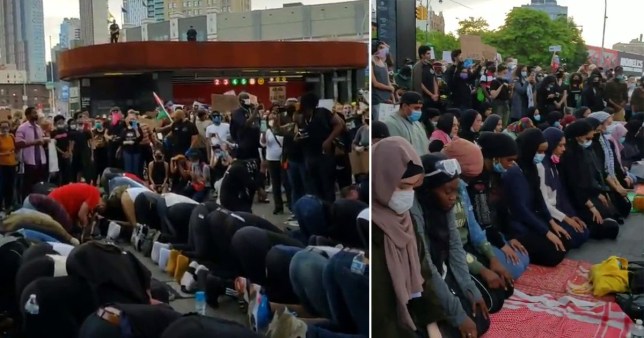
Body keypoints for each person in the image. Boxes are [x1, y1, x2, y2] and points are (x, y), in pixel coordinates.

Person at [371, 136, 445, 338]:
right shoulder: (370, 227)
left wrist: (432, 325)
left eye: (413, 187)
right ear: (382, 180)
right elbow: (379, 306)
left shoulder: (405, 218)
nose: (408, 195)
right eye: (403, 187)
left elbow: (423, 273)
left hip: (412, 311)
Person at [412, 152, 491, 338]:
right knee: (458, 326)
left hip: (442, 272)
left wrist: (469, 288)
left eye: (456, 191)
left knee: (481, 317)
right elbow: (426, 268)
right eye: (447, 191)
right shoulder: (414, 213)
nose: (453, 197)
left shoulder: (444, 207)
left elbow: (455, 246)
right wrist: (457, 314)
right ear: (428, 190)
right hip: (421, 283)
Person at [503, 129, 570, 267]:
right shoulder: (513, 172)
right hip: (518, 226)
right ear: (529, 148)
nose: (541, 155)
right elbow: (520, 209)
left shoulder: (531, 167)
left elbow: (538, 197)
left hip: (531, 220)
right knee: (554, 253)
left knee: (565, 239)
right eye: (539, 151)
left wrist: (551, 223)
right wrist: (546, 232)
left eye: (544, 152)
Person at [471, 132, 530, 280]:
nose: (512, 165)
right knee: (515, 269)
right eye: (509, 160)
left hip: (495, 231)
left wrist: (510, 237)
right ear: (495, 158)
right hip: (481, 235)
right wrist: (501, 244)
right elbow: (483, 219)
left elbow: (502, 209)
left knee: (523, 258)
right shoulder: (478, 180)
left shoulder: (496, 175)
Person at [559, 119, 620, 240]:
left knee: (610, 212)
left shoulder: (582, 151)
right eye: (588, 138)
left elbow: (592, 176)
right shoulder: (569, 155)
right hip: (576, 198)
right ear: (578, 137)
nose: (590, 141)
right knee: (602, 222)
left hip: (588, 193)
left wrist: (598, 193)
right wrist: (591, 205)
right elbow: (574, 185)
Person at [539, 127, 591, 249]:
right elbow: (544, 202)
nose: (564, 149)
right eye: (560, 145)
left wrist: (570, 215)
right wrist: (566, 219)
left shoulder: (553, 163)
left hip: (558, 210)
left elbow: (561, 194)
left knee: (583, 231)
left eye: (564, 145)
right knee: (575, 238)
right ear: (551, 145)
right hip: (549, 214)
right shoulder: (542, 166)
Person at [295, 92, 344, 202]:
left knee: (327, 186)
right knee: (313, 188)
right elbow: (299, 131)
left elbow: (339, 124)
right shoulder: (302, 117)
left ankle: (330, 212)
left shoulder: (322, 112)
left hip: (324, 155)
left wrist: (329, 140)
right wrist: (298, 137)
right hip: (308, 154)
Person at [15, 107, 49, 198]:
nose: (36, 115)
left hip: (41, 160)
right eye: (34, 113)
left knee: (38, 185)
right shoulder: (22, 128)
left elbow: (41, 140)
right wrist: (34, 142)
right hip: (29, 161)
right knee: (28, 186)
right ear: (28, 115)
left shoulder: (38, 127)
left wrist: (45, 140)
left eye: (36, 113)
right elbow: (18, 143)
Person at [384, 91, 429, 156]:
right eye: (416, 108)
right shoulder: (391, 123)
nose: (419, 111)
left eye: (420, 108)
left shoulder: (417, 123)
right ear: (404, 106)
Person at [51, 115, 73, 185]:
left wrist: (69, 152)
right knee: (59, 174)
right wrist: (62, 153)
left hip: (67, 155)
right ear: (55, 123)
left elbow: (70, 142)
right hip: (58, 156)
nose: (61, 124)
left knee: (67, 173)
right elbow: (54, 145)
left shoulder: (66, 132)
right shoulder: (53, 133)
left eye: (62, 122)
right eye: (59, 122)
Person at [0, 120, 17, 214]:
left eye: (6, 127)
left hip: (12, 165)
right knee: (2, 187)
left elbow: (14, 149)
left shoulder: (11, 137)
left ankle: (8, 206)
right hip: (2, 166)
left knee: (10, 187)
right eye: (2, 127)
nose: (4, 129)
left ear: (9, 128)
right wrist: (4, 153)